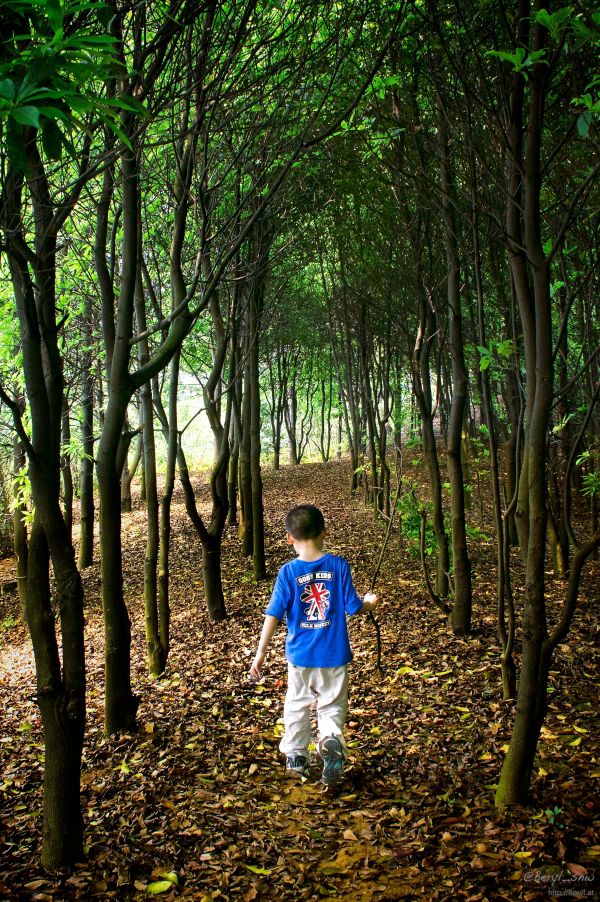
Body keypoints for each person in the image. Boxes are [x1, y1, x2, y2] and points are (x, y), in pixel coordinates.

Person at [249, 504, 377, 786]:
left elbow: (273, 614)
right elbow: (354, 608)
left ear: (289, 538)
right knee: (331, 706)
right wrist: (370, 603)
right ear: (324, 532)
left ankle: (296, 757)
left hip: (301, 657)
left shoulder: (288, 573)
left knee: (296, 705)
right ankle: (330, 739)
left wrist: (260, 653)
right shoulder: (339, 565)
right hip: (334, 656)